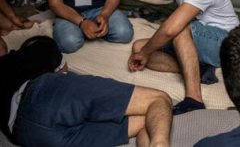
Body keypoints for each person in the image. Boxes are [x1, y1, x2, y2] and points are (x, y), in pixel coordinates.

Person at [129, 0, 240, 115]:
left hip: (225, 42)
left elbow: (171, 28)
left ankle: (194, 99)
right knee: (138, 47)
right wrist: (144, 52)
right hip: (199, 38)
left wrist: (145, 53)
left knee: (177, 30)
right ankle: (201, 69)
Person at [0, 35, 172, 147]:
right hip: (43, 93)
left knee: (148, 120)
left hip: (25, 134)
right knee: (158, 99)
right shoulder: (35, 48)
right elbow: (63, 72)